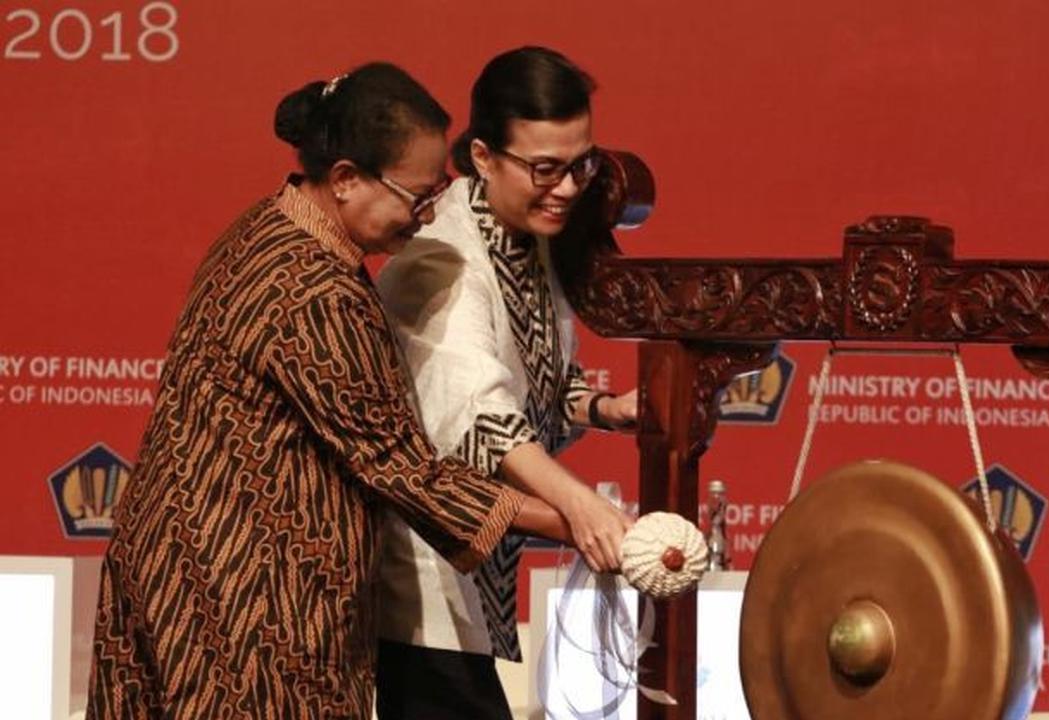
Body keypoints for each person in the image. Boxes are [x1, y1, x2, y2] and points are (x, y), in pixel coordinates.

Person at [85, 62, 577, 720]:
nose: (427, 216)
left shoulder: (266, 228)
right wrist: (577, 523)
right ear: (346, 178)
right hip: (246, 604)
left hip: (184, 574)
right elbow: (402, 469)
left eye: (437, 195)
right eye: (415, 196)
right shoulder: (317, 292)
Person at [374, 46, 636, 720]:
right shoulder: (444, 257)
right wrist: (581, 509)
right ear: (484, 157)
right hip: (418, 584)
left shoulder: (529, 234)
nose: (570, 188)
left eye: (582, 164)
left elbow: (538, 379)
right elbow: (484, 417)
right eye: (545, 169)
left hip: (475, 579)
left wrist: (606, 408)